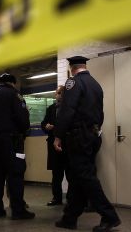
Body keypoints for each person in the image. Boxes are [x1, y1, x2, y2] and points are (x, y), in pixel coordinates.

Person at [54, 56, 120, 232]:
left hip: (78, 137)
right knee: (78, 178)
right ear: (84, 66)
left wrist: (58, 135)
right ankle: (70, 218)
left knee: (86, 177)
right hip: (92, 135)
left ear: (72, 68)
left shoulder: (73, 83)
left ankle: (109, 216)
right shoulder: (95, 84)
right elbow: (100, 112)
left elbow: (68, 110)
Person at [0, 73, 35, 220]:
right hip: (11, 141)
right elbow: (23, 119)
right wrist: (24, 131)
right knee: (15, 174)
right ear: (13, 83)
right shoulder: (15, 95)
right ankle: (18, 210)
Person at [41, 85, 69, 206]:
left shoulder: (70, 108)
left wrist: (57, 128)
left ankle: (72, 198)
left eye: (59, 93)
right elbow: (43, 123)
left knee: (70, 173)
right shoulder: (51, 108)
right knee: (56, 174)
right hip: (53, 144)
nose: (57, 95)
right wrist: (46, 126)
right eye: (57, 93)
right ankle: (56, 198)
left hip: (67, 144)